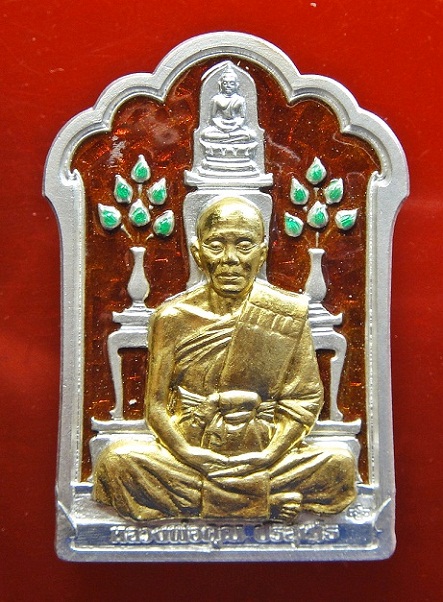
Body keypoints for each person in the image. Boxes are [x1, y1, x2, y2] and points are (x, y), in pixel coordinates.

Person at [93, 196, 356, 521]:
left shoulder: (285, 313)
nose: (230, 259)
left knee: (339, 466)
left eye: (244, 246)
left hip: (263, 451)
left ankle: (212, 500)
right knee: (116, 463)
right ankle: (265, 502)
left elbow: (304, 400)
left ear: (262, 252)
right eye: (216, 245)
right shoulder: (173, 317)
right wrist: (191, 454)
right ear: (197, 253)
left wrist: (268, 455)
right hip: (193, 451)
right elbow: (157, 407)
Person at [201, 66, 257, 143]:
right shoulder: (216, 99)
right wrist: (222, 127)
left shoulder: (240, 99)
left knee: (252, 135)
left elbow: (242, 117)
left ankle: (225, 139)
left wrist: (235, 127)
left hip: (235, 127)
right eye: (225, 83)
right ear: (220, 84)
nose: (228, 86)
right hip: (220, 127)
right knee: (204, 134)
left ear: (236, 85)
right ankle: (230, 138)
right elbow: (214, 117)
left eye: (231, 83)